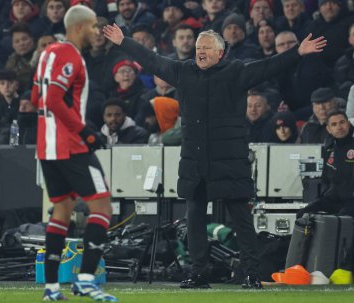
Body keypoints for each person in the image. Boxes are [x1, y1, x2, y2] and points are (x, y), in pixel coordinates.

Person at [103, 22, 326, 289]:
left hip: (229, 159)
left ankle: (251, 273)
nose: (200, 51)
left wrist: (297, 52)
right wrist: (123, 41)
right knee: (195, 218)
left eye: (206, 47)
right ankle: (199, 273)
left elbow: (269, 67)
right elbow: (151, 60)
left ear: (220, 53)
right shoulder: (182, 71)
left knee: (240, 219)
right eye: (198, 47)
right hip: (195, 161)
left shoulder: (236, 72)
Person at [31, 6, 117, 301]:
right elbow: (54, 99)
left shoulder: (47, 53)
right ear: (80, 27)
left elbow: (35, 97)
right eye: (94, 27)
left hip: (47, 148)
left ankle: (52, 289)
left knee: (62, 212)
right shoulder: (69, 55)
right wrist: (85, 132)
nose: (96, 31)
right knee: (103, 208)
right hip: (71, 147)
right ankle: (85, 280)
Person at [297, 110, 354, 218]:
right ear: (329, 129)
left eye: (342, 122)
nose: (339, 127)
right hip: (332, 199)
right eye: (334, 124)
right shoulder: (329, 149)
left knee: (341, 219)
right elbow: (325, 178)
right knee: (302, 215)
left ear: (348, 123)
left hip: (351, 201)